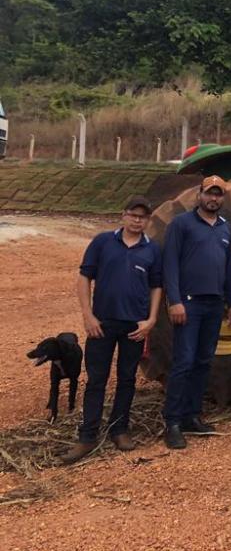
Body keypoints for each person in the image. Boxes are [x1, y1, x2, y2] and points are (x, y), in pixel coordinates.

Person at [61, 196, 163, 464]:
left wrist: (151, 319)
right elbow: (84, 277)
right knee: (97, 379)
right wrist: (88, 315)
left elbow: (156, 286)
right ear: (123, 215)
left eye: (142, 217)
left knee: (127, 378)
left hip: (134, 326)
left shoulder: (152, 249)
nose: (137, 220)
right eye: (133, 215)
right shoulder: (102, 242)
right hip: (102, 324)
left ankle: (119, 430)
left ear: (147, 220)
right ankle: (87, 436)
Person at [162, 176, 231, 449]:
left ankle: (191, 416)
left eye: (218, 195)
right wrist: (175, 300)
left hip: (214, 304)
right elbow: (170, 263)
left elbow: (228, 267)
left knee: (204, 361)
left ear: (222, 198)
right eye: (209, 193)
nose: (213, 199)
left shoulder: (225, 227)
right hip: (189, 303)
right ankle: (172, 422)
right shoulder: (181, 224)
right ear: (200, 194)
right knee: (183, 361)